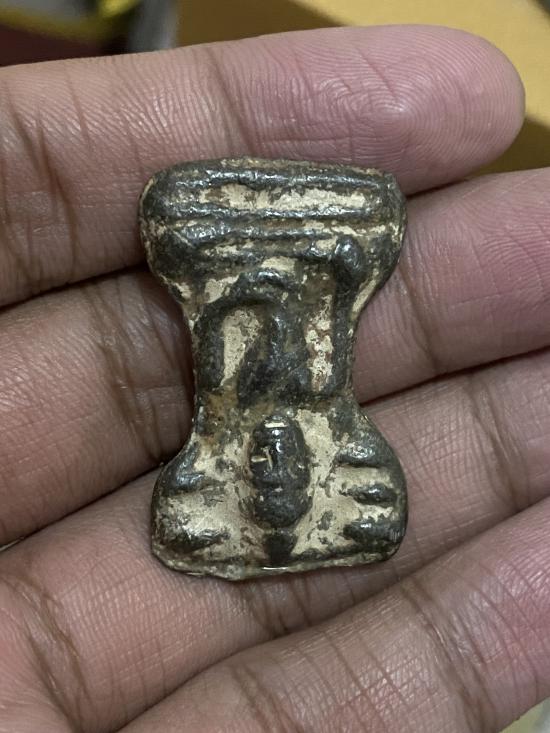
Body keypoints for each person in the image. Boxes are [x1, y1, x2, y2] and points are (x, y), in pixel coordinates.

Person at [0, 24, 547, 733]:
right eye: (280, 475)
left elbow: (238, 316)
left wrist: (246, 290)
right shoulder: (313, 405)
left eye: (263, 475)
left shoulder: (243, 416)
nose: (273, 465)